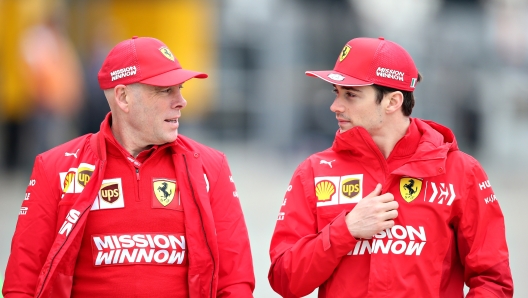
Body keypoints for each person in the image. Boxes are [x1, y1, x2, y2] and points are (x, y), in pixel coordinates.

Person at [3, 36, 255, 298]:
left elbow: (235, 283)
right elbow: (22, 284)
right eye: (165, 90)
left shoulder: (211, 167)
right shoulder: (55, 167)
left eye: (180, 88)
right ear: (123, 97)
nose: (181, 101)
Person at [268, 37, 513, 297]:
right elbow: (285, 280)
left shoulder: (460, 172)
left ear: (393, 102)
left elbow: (493, 281)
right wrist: (346, 230)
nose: (335, 106)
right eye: (337, 94)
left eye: (351, 95)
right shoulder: (315, 172)